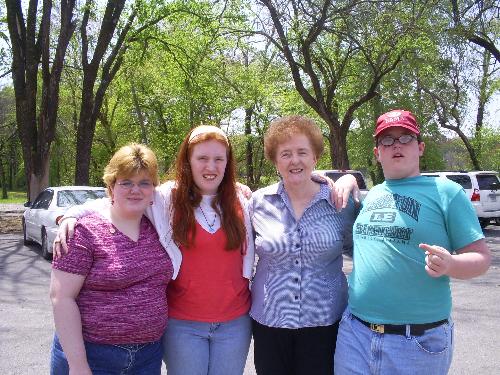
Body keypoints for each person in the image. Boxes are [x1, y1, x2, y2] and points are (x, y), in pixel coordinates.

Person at [55, 125, 358, 375]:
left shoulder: (244, 200)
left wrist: (340, 178)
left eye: (219, 159)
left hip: (235, 323)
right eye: (202, 158)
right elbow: (123, 195)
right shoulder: (165, 200)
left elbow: (303, 183)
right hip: (183, 323)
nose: (210, 167)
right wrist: (72, 213)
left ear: (228, 164)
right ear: (187, 161)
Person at [334, 109, 492, 375]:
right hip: (355, 334)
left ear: (420, 148)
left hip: (417, 343)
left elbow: (481, 259)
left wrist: (451, 264)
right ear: (377, 153)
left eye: (405, 137)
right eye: (387, 140)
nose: (396, 144)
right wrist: (348, 177)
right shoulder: (369, 196)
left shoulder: (446, 193)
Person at [49, 143, 173, 375]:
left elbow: (196, 189)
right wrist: (77, 365)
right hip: (93, 356)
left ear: (153, 189)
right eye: (126, 182)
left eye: (144, 183)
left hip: (148, 356)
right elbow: (61, 297)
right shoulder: (83, 232)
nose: (135, 190)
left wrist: (236, 187)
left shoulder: (159, 228)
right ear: (111, 186)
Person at [249, 115, 357, 375]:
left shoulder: (340, 203)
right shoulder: (256, 203)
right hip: (270, 321)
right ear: (275, 161)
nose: (294, 160)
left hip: (324, 322)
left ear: (315, 158)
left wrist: (349, 178)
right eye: (285, 154)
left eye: (302, 152)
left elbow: (362, 251)